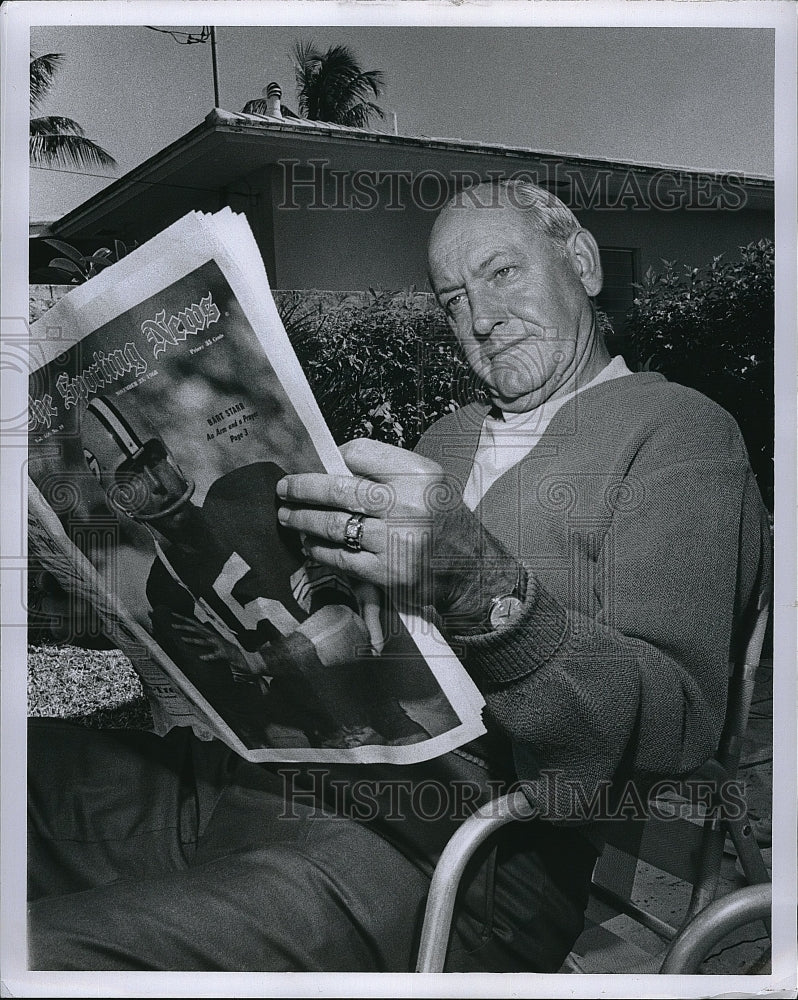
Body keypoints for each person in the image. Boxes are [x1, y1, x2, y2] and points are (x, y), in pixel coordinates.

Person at [27, 179, 771, 973]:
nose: (479, 319)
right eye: (452, 299)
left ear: (582, 262)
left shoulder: (680, 433)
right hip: (277, 783)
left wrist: (481, 588)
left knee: (47, 951)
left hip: (454, 851)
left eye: (501, 273)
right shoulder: (443, 439)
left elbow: (677, 722)